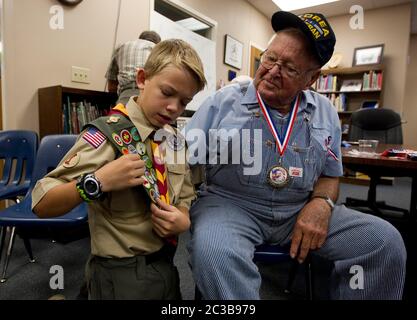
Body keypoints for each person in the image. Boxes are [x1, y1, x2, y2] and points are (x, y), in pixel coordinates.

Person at [184, 11, 406, 300]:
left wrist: (322, 203)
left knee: (383, 241)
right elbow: (181, 161)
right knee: (215, 252)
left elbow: (330, 173)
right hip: (231, 206)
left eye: (289, 67)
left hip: (297, 210)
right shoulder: (222, 103)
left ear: (311, 79)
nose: (272, 71)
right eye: (270, 58)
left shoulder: (325, 113)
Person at [32, 39, 207, 300]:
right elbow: (42, 203)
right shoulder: (107, 135)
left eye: (184, 102)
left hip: (166, 266)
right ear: (141, 78)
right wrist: (96, 181)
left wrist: (182, 216)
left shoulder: (174, 140)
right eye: (167, 93)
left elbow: (185, 193)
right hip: (119, 273)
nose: (174, 108)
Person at [105, 30, 161, 105]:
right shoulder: (157, 49)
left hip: (126, 93)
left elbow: (111, 87)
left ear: (140, 38)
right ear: (157, 43)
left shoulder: (121, 46)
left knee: (119, 116)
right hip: (150, 93)